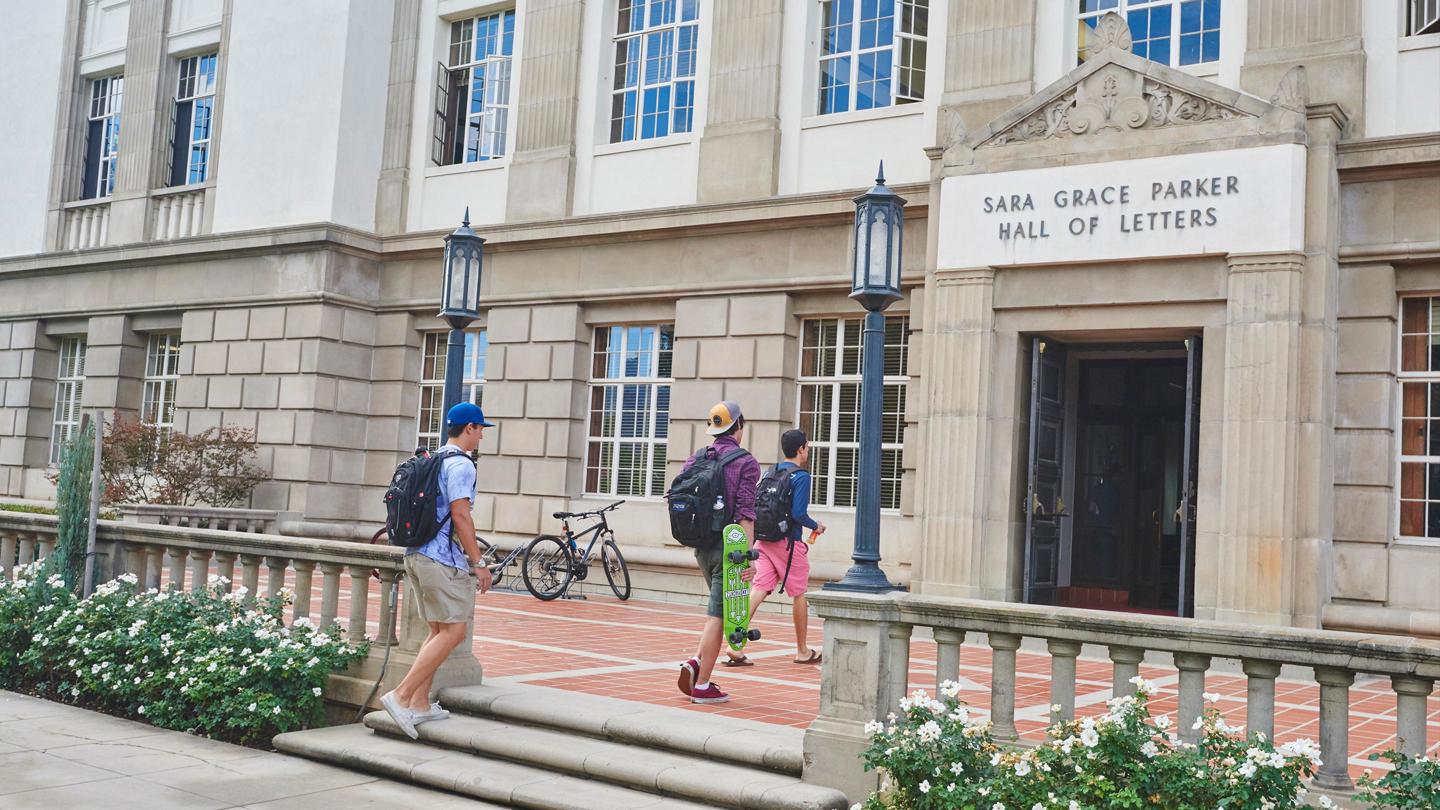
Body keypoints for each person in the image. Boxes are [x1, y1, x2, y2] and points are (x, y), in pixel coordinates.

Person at [381, 402, 494, 739]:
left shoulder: (433, 459)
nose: (481, 436)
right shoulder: (461, 465)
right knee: (454, 632)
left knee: (438, 630)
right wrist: (479, 563)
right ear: (470, 428)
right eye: (480, 429)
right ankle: (401, 696)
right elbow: (461, 516)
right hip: (441, 558)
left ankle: (418, 704)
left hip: (417, 553)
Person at [677, 400, 760, 705]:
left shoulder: (696, 457)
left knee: (718, 607)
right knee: (719, 614)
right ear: (739, 425)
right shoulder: (746, 463)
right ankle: (702, 686)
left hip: (700, 546)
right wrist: (748, 557)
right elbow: (746, 514)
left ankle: (697, 661)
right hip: (730, 548)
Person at [724, 429, 825, 668]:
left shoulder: (772, 470)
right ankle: (802, 650)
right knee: (799, 593)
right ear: (800, 449)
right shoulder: (801, 477)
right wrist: (816, 526)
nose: (808, 451)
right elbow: (799, 514)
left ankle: (734, 646)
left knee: (758, 589)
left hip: (763, 539)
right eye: (807, 447)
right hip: (787, 544)